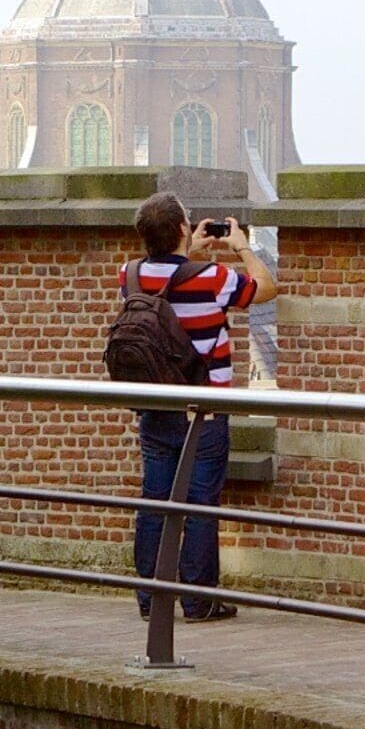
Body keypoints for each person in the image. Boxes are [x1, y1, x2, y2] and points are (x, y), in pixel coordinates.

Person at [119, 191, 269, 621]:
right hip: (203, 408)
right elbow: (266, 288)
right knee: (200, 502)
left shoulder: (128, 275)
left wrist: (187, 251)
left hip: (155, 406)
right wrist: (240, 246)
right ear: (184, 229)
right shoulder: (213, 277)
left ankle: (150, 597)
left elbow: (165, 277)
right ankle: (199, 601)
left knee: (156, 500)